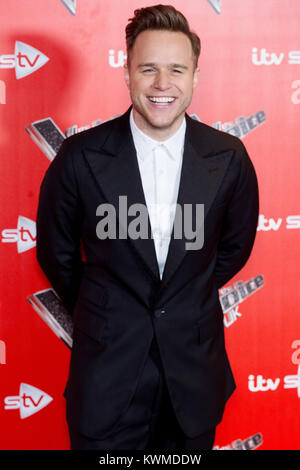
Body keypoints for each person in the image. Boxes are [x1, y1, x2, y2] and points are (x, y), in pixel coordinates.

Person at [36, 4, 259, 450]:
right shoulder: (80, 157)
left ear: (195, 75)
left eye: (177, 69)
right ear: (127, 73)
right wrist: (107, 307)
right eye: (148, 69)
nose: (162, 84)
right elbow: (56, 255)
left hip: (192, 377)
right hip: (106, 376)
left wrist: (186, 296)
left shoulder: (229, 157)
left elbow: (233, 249)